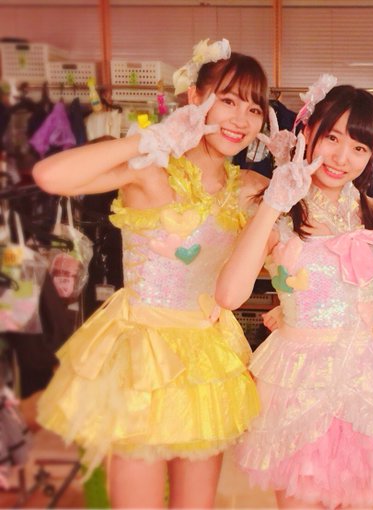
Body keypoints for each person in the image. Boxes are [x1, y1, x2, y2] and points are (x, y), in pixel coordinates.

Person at [33, 39, 268, 508]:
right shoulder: (150, 169)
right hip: (139, 357)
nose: (241, 119)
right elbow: (49, 177)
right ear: (194, 98)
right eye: (228, 100)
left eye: (254, 109)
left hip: (206, 363)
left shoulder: (252, 188)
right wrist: (147, 138)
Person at [215, 79, 373, 508]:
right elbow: (229, 294)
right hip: (299, 380)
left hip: (366, 379)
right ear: (307, 132)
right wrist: (273, 202)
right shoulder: (279, 210)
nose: (342, 158)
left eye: (359, 147)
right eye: (332, 138)